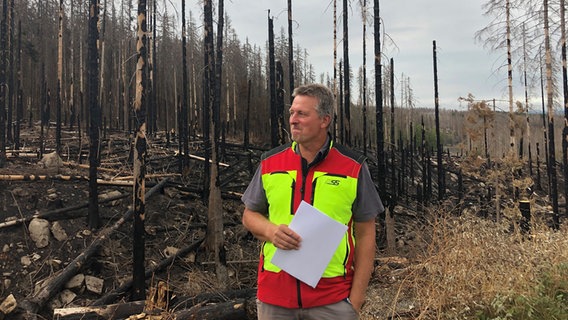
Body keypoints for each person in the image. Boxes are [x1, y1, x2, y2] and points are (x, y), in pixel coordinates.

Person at [241, 83, 384, 320]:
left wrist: (355, 302)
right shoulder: (270, 163)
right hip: (274, 300)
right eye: (292, 113)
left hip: (331, 300)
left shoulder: (353, 167)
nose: (293, 120)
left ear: (324, 120)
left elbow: (366, 234)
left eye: (302, 114)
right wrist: (270, 230)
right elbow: (249, 215)